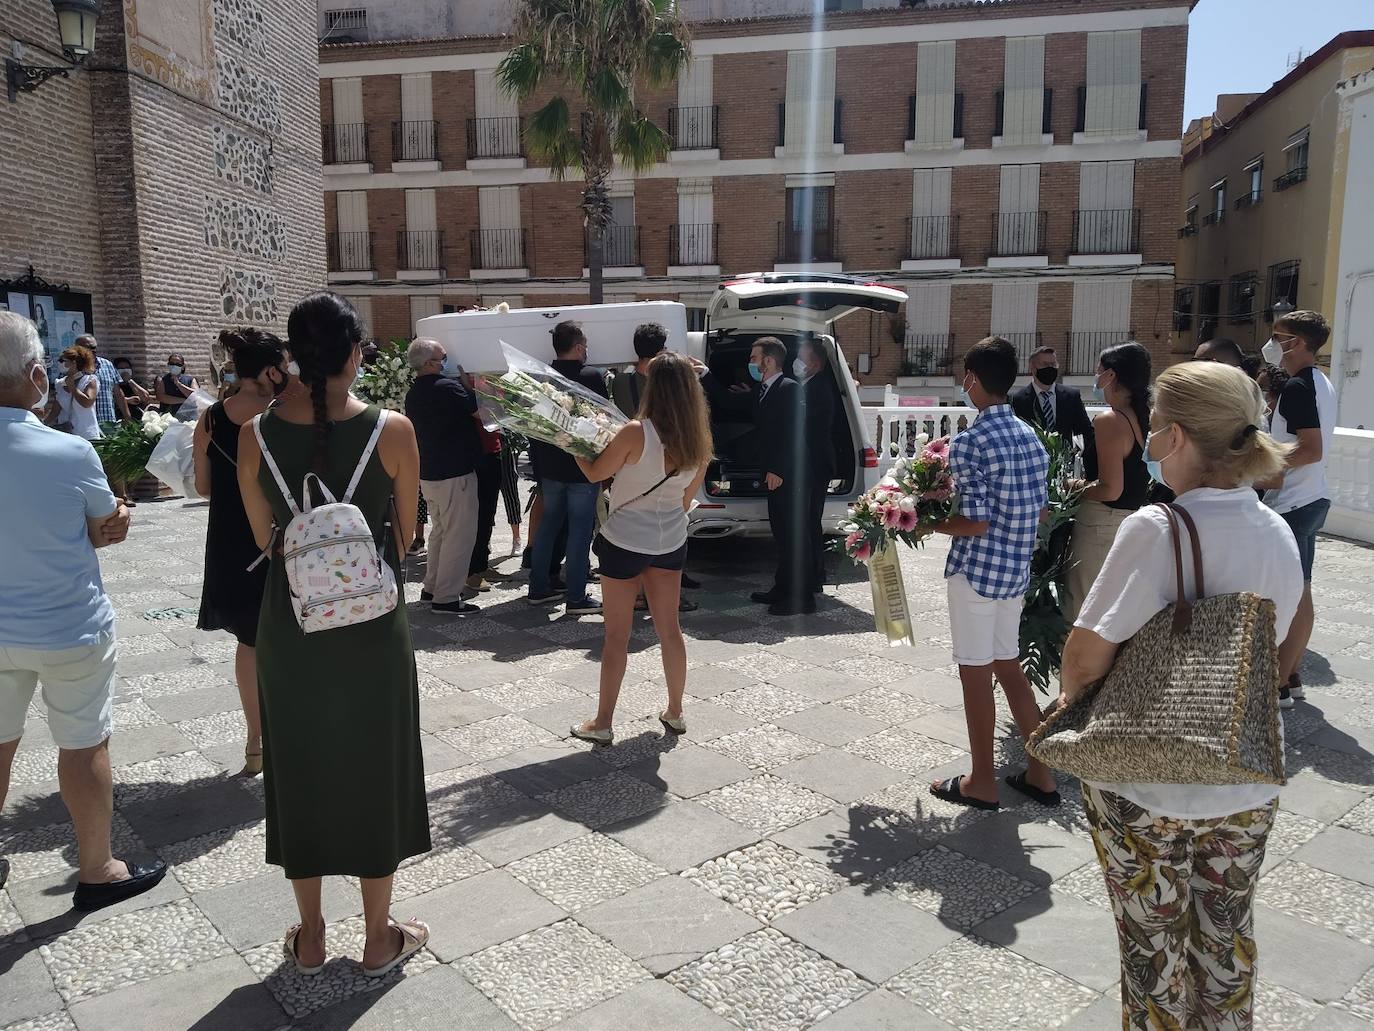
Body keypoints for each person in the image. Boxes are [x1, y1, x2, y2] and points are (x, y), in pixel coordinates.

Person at [1057, 361, 1301, 1029]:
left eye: (1159, 424)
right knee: (1226, 942)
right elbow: (1289, 641)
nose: (1152, 436)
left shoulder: (1156, 528)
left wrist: (1067, 702)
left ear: (1182, 436)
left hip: (1148, 783)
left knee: (1152, 946)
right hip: (1244, 776)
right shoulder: (1275, 530)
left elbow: (1085, 654)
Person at [237, 291, 430, 976]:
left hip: (291, 626)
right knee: (378, 765)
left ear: (294, 355)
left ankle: (312, 933)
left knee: (301, 769)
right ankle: (380, 935)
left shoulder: (253, 434)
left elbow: (265, 535)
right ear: (354, 354)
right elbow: (405, 536)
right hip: (373, 628)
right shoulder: (395, 430)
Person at [0, 311, 167, 911]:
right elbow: (102, 530)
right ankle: (97, 867)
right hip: (67, 624)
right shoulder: (69, 451)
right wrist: (114, 523)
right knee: (83, 743)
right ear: (36, 374)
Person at [929, 336, 1054, 811]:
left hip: (977, 574)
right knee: (1009, 666)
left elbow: (975, 522)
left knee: (975, 674)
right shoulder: (1030, 437)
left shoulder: (971, 441)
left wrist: (926, 521)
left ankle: (982, 779)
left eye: (967, 377)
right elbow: (1039, 509)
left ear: (974, 380)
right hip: (1014, 572)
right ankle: (1040, 769)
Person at [569, 352, 712, 746]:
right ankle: (676, 711)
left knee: (617, 635)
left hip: (625, 540)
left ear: (654, 388)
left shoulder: (636, 432)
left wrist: (575, 445)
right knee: (671, 630)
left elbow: (597, 473)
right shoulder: (699, 440)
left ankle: (602, 722)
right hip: (670, 541)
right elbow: (685, 500)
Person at [193, 328, 291, 777]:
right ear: (270, 370)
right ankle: (294, 735)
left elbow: (202, 485)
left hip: (230, 538)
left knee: (249, 642)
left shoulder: (210, 418)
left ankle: (255, 742)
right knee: (293, 637)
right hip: (277, 537)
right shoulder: (282, 415)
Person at [1259, 310, 1336, 707]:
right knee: (1298, 589)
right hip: (1310, 497)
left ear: (1298, 343)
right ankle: (1290, 676)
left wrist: (1260, 465)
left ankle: (1281, 684)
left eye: (1279, 336)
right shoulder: (1320, 381)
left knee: (1296, 593)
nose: (1273, 343)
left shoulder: (1296, 388)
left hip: (1294, 501)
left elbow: (1310, 449)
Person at [526, 321, 608, 615]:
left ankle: (538, 588)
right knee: (579, 530)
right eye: (584, 346)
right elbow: (605, 420)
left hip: (549, 465)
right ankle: (576, 597)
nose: (586, 351)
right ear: (576, 347)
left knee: (549, 525)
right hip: (582, 468)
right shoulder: (591, 376)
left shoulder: (539, 377)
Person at [1066, 341, 1152, 620]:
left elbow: (1110, 488)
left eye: (1099, 370)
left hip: (1100, 524)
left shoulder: (1110, 420)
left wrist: (1073, 487)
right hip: (1129, 520)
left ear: (1111, 375)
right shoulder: (1142, 416)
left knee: (1081, 610)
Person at [404, 338, 482, 615]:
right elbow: (479, 410)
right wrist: (468, 384)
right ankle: (447, 597)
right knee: (458, 536)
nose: (446, 361)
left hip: (430, 472)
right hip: (454, 472)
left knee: (440, 532)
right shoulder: (448, 387)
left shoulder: (414, 392)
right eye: (442, 358)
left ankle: (432, 586)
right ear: (429, 364)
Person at [747, 337, 811, 615]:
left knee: (795, 537)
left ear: (769, 360)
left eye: (754, 357)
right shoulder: (766, 389)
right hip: (775, 475)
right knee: (782, 536)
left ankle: (803, 598)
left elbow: (793, 433)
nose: (751, 362)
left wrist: (778, 469)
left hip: (788, 477)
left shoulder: (789, 389)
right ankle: (782, 588)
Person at [796, 338, 836, 596]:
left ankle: (813, 577)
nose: (797, 362)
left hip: (813, 464)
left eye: (802, 357)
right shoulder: (810, 385)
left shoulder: (817, 388)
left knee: (809, 521)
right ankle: (814, 574)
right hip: (815, 463)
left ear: (816, 364)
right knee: (810, 520)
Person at [1010, 346, 1094, 446]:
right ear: (1032, 367)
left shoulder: (1071, 396)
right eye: (1045, 364)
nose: (1050, 368)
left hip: (1066, 459)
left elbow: (1085, 431)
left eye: (1053, 364)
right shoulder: (1018, 399)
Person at [468, 421, 503, 594]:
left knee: (488, 513)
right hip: (478, 453)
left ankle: (481, 565)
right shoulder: (469, 393)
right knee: (478, 515)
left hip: (492, 449)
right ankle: (471, 571)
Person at [52, 344, 102, 441]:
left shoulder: (90, 380)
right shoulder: (60, 383)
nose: (59, 364)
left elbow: (87, 402)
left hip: (86, 434)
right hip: (66, 435)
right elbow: (56, 410)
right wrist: (43, 423)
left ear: (73, 363)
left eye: (63, 361)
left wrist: (72, 388)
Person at [76, 335, 119, 425]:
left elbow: (118, 393)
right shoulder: (71, 369)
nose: (93, 350)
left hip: (108, 423)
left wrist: (127, 417)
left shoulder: (107, 365)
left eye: (94, 347)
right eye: (88, 348)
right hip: (84, 425)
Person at [499, 431, 523, 553]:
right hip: (483, 444)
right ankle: (485, 537)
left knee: (510, 492)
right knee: (485, 497)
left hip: (503, 443)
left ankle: (516, 537)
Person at [112, 357, 152, 422]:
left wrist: (130, 381)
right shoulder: (113, 385)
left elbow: (146, 398)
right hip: (119, 417)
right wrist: (127, 400)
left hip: (137, 417)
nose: (125, 370)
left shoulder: (135, 384)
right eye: (121, 368)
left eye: (127, 368)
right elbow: (110, 400)